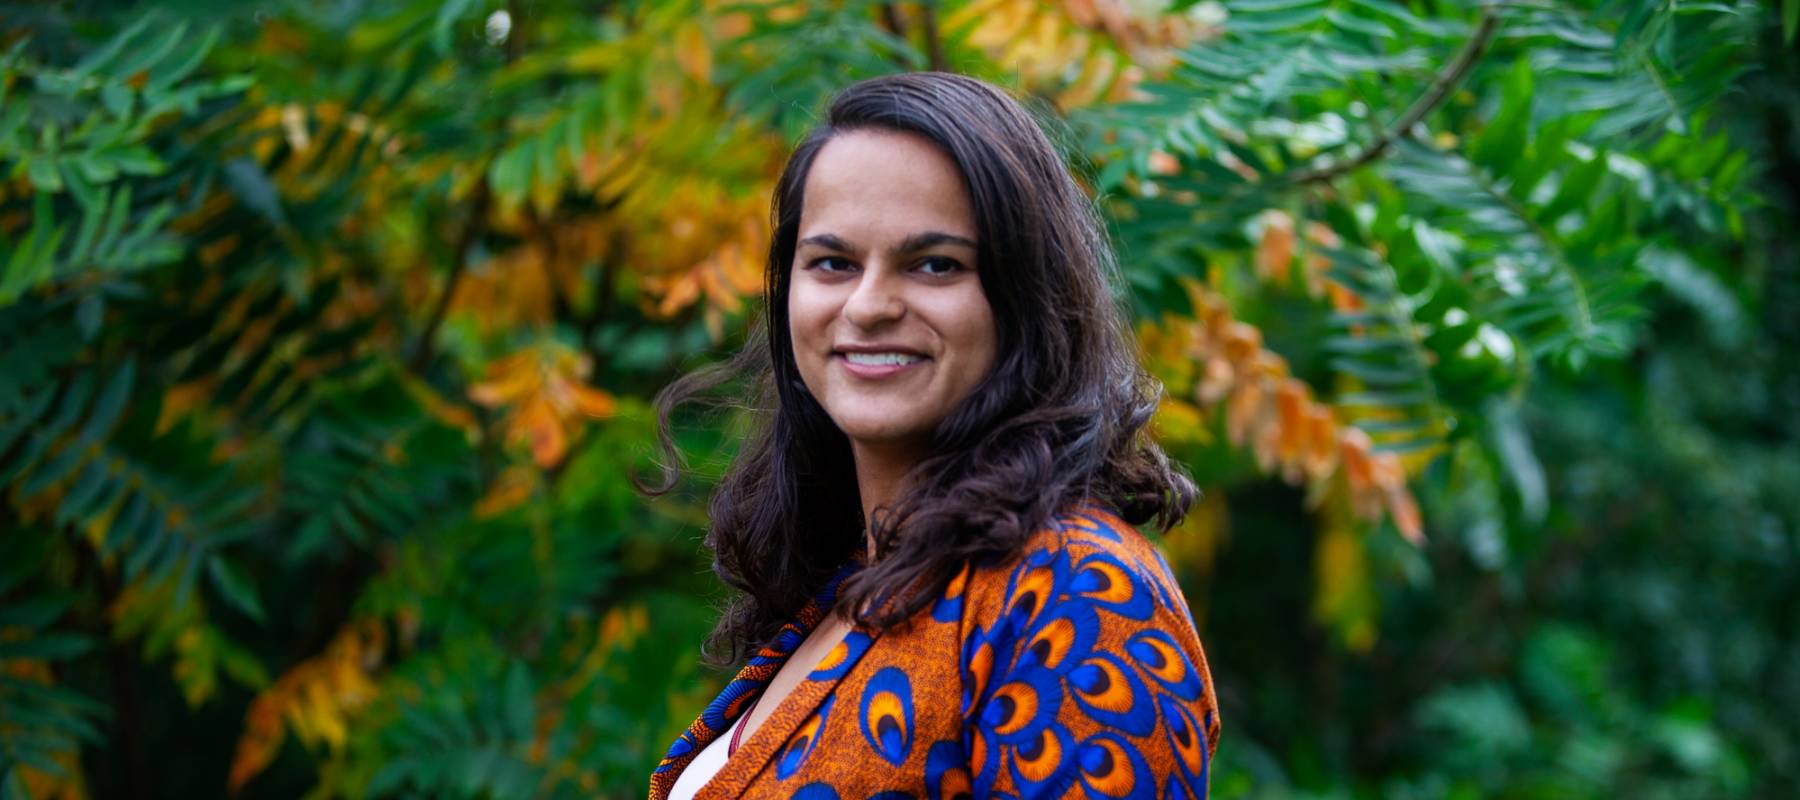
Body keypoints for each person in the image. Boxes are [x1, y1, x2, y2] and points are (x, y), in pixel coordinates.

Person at [641, 71, 1220, 800]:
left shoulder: (1077, 594)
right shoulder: (857, 581)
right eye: (833, 262)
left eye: (935, 265)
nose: (870, 304)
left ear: (1024, 297)